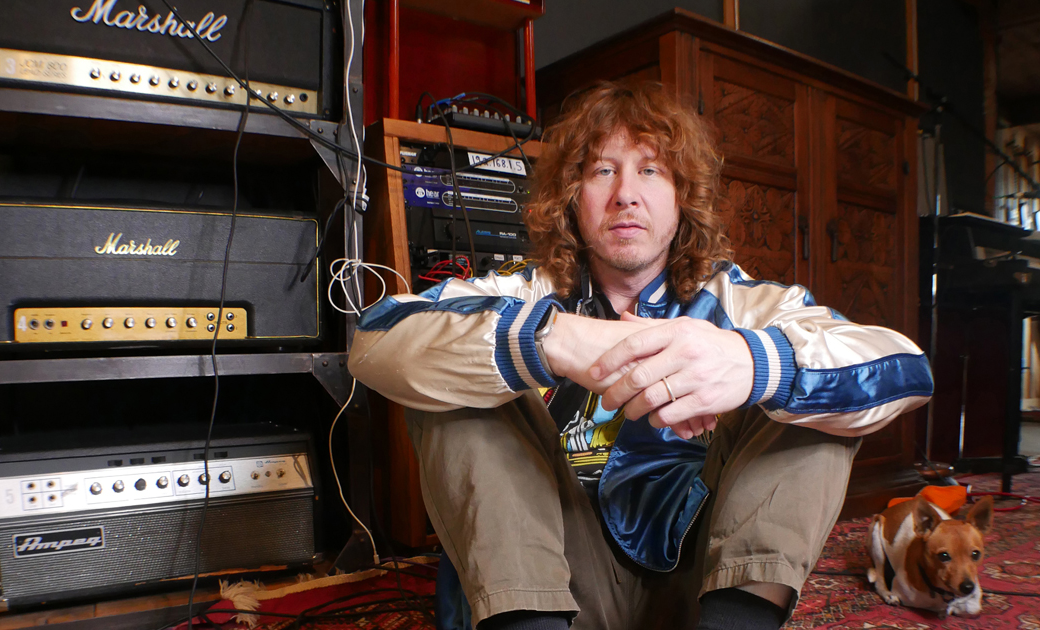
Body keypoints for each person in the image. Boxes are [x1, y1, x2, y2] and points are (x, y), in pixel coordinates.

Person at [348, 81, 933, 630]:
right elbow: (373, 339)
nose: (625, 193)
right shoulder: (523, 292)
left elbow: (907, 369)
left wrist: (755, 366)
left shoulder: (744, 302)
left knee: (809, 380)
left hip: (703, 582)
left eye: (650, 170)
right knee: (453, 365)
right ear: (573, 196)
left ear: (683, 196)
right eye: (603, 170)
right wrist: (548, 340)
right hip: (550, 581)